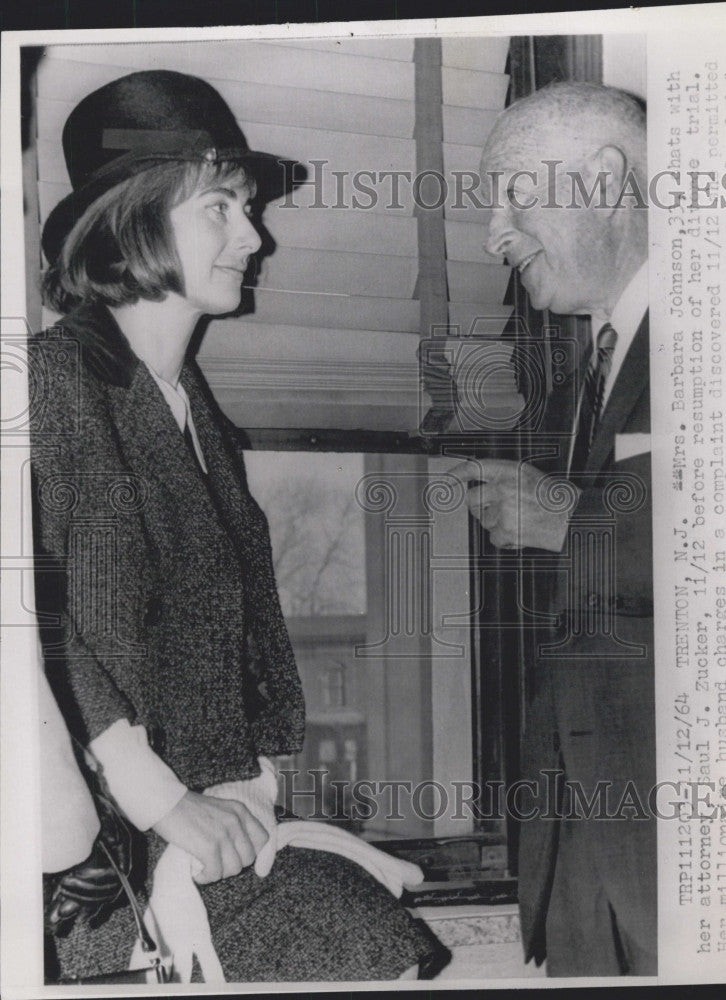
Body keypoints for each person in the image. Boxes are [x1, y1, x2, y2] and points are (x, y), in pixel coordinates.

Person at [30, 69, 446, 983]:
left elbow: (244, 632)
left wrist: (257, 786)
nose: (255, 239)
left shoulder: (198, 411)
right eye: (222, 207)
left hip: (215, 831)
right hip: (111, 861)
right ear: (133, 220)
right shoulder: (49, 387)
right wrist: (167, 807)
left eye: (245, 210)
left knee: (387, 943)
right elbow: (41, 633)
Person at [451, 82, 654, 976]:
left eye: (515, 195)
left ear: (607, 179)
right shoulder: (583, 380)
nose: (496, 235)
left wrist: (569, 516)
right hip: (579, 846)